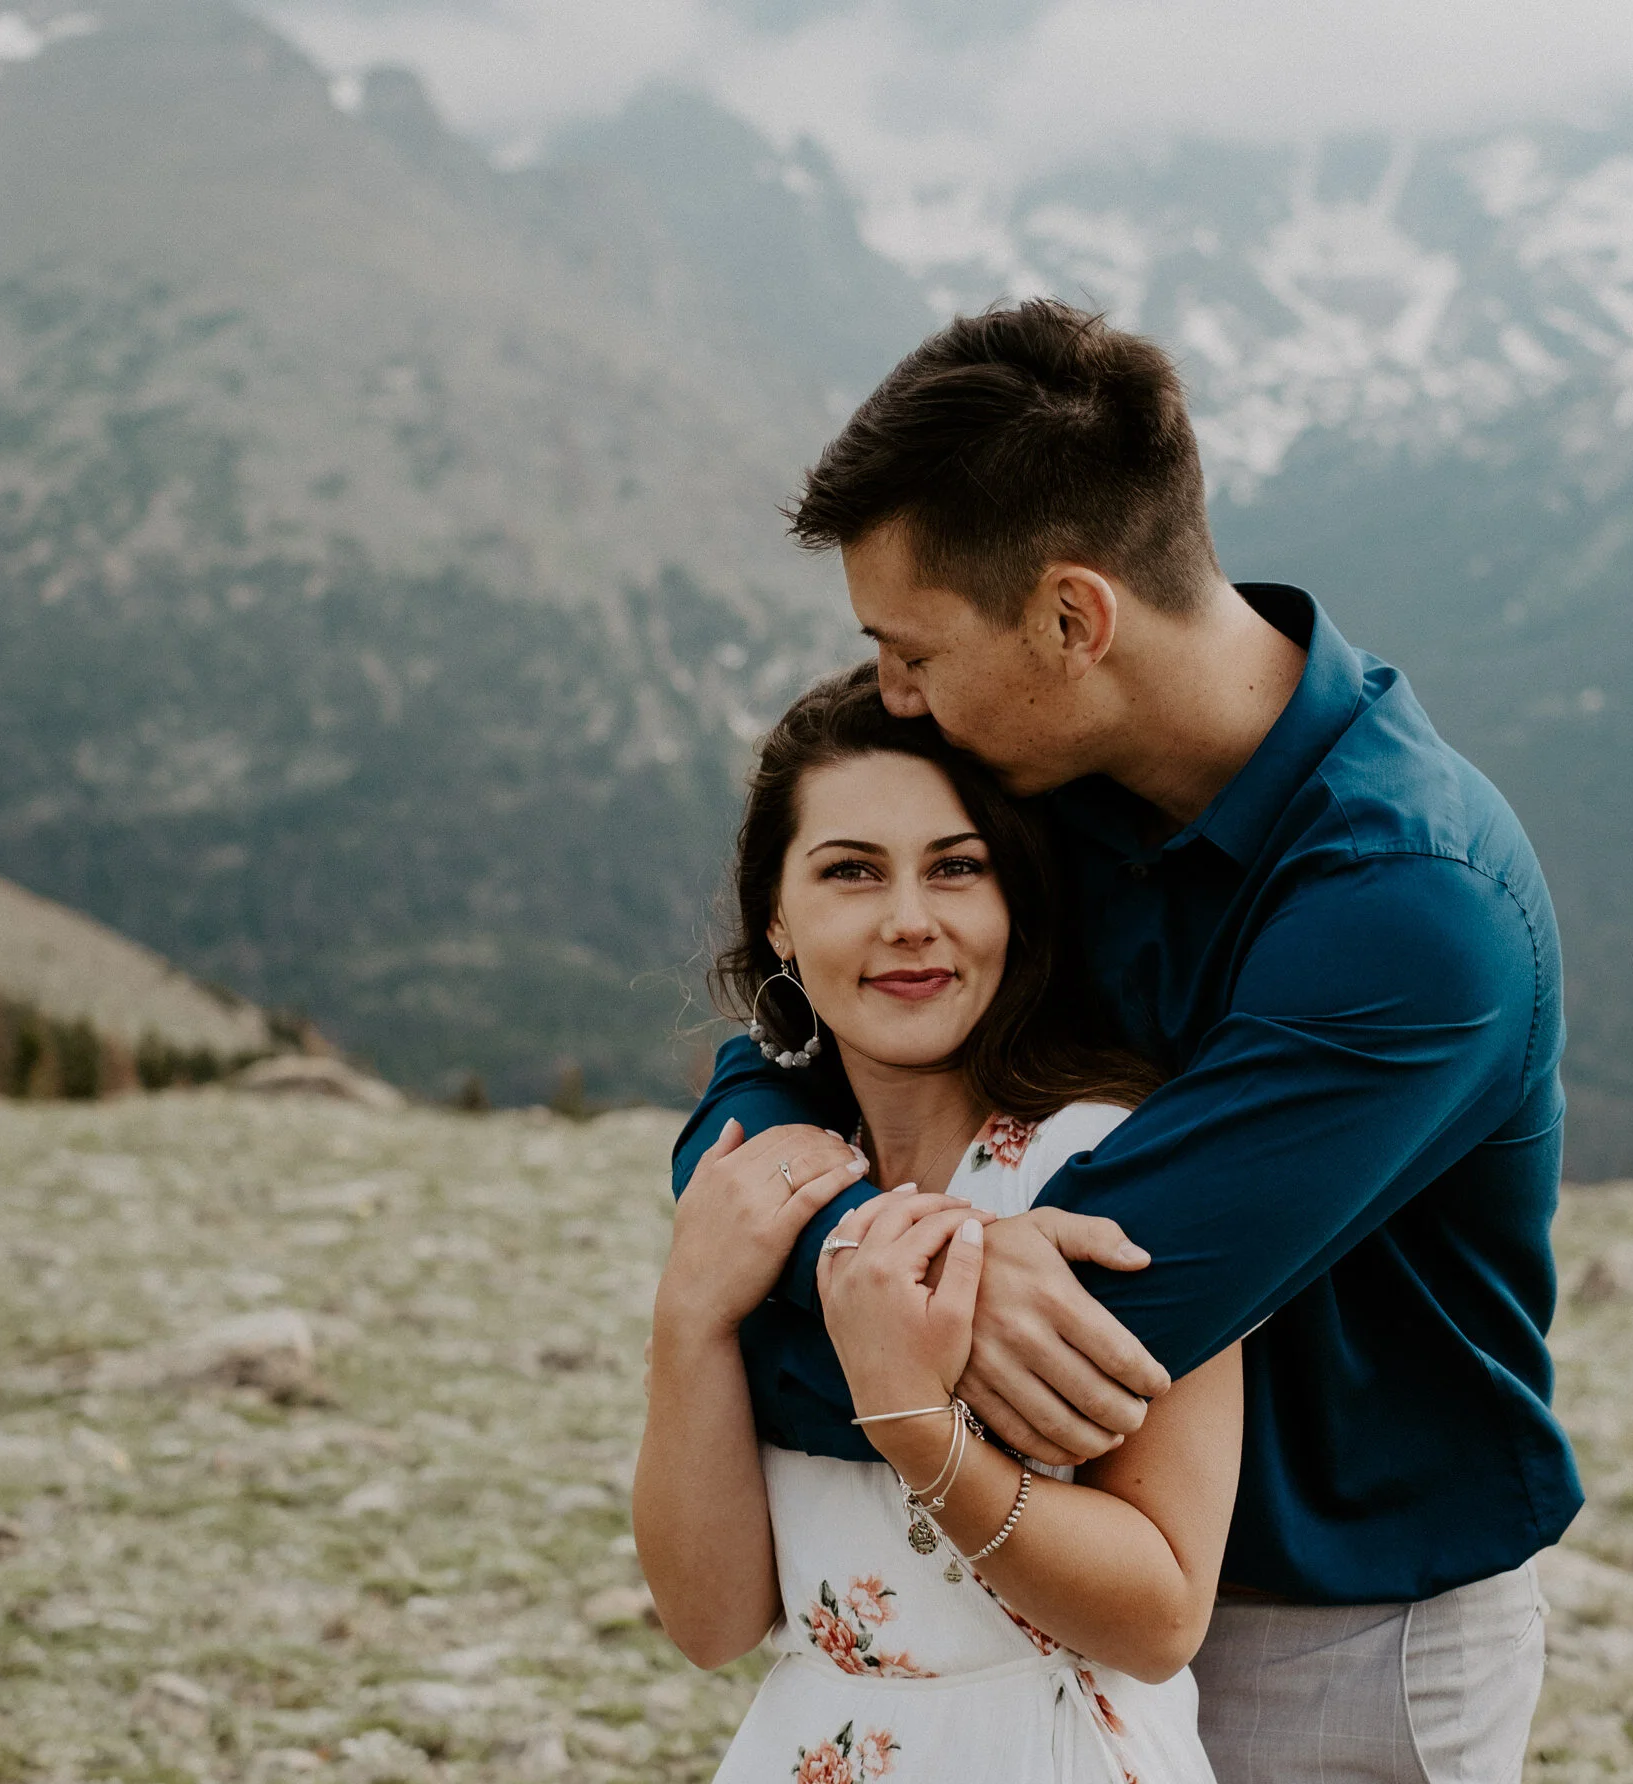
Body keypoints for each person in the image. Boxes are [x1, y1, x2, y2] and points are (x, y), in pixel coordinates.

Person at [673, 299, 1579, 1784]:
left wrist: (734, 1290)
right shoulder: (1043, 783)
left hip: (1334, 1628)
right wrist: (841, 1227)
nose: (896, 699)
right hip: (1031, 1603)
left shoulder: (1413, 910)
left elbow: (1087, 1344)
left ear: (1072, 619)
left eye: (913, 652)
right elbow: (772, 1075)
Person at [636, 665, 1238, 1782]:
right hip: (807, 1741)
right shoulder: (773, 1186)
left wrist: (918, 1424)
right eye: (851, 872)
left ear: (1014, 900)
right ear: (777, 914)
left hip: (1042, 1743)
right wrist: (690, 1318)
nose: (910, 921)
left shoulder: (1112, 1166)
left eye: (956, 868)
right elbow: (712, 1622)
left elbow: (1161, 1614)